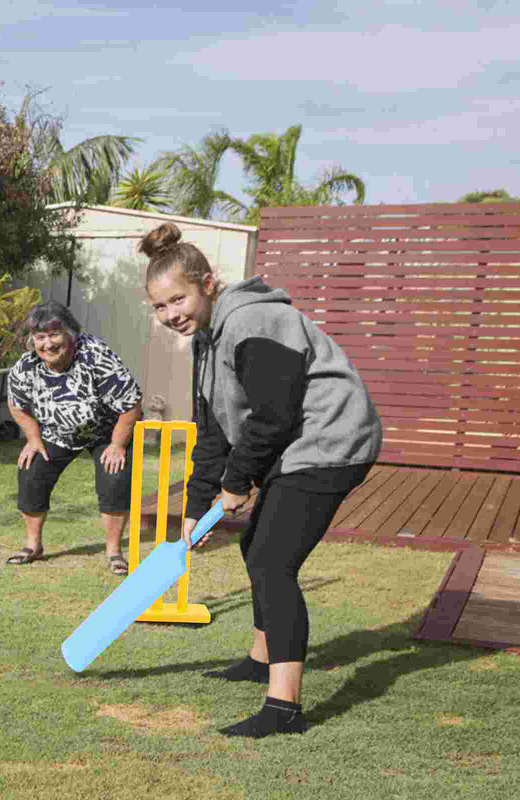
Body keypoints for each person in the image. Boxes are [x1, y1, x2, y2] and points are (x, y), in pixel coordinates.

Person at [141, 223, 382, 739]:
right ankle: (260, 658)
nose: (171, 314)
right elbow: (212, 431)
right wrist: (196, 507)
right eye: (160, 306)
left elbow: (273, 413)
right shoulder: (206, 340)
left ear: (207, 284)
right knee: (257, 547)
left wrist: (237, 482)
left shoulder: (253, 319)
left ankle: (284, 708)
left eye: (178, 299)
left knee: (274, 560)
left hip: (331, 438)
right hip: (299, 442)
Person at [5, 300, 143, 574]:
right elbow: (16, 404)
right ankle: (33, 545)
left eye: (54, 334)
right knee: (31, 470)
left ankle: (114, 552)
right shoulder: (27, 365)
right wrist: (33, 438)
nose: (48, 344)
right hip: (57, 432)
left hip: (107, 429)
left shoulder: (95, 354)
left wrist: (117, 445)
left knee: (114, 476)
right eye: (40, 337)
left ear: (70, 333)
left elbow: (131, 404)